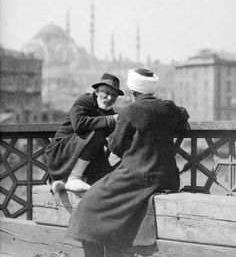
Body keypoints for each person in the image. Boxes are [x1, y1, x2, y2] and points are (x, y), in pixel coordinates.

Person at [66, 68, 190, 257]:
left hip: (136, 176)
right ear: (152, 91)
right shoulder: (168, 107)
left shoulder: (129, 111)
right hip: (167, 178)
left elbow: (115, 147)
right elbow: (183, 113)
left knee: (88, 205)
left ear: (132, 92)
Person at [45, 73, 124, 194]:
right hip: (60, 152)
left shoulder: (109, 111)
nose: (109, 98)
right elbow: (78, 124)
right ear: (97, 92)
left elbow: (115, 136)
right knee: (97, 132)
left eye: (114, 95)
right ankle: (73, 178)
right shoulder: (84, 101)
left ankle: (62, 181)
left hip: (77, 154)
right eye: (106, 93)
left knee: (105, 174)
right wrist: (110, 120)